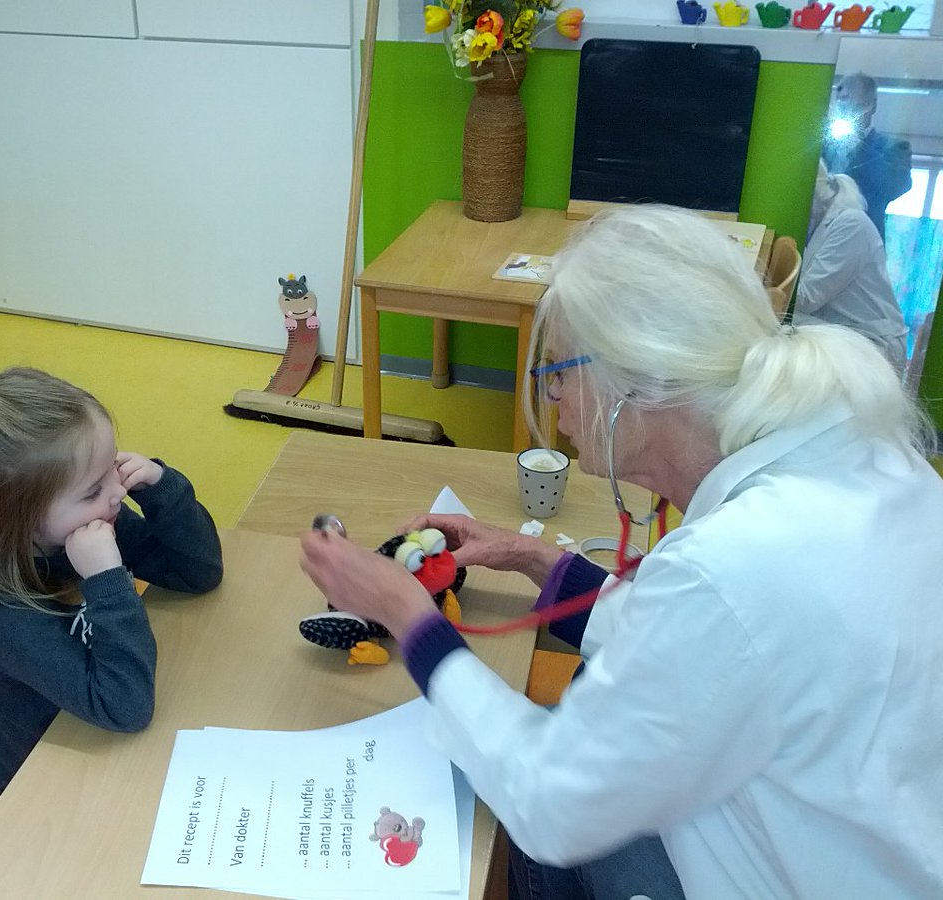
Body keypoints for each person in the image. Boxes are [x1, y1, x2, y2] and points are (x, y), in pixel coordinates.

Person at [299, 206, 943, 900]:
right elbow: (713, 652)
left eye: (558, 373)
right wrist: (537, 560)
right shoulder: (865, 456)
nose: (556, 405)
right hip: (869, 840)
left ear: (634, 380)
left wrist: (410, 619)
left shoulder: (733, 566)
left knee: (507, 801)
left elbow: (550, 802)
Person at [0, 366, 223, 795]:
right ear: (19, 519)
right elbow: (125, 707)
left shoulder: (89, 526)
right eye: (92, 489)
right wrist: (106, 581)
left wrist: (163, 488)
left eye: (113, 467)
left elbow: (197, 572)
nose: (117, 493)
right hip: (42, 781)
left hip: (98, 739)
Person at [794, 161, 908, 372]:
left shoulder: (850, 224)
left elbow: (805, 298)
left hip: (873, 341)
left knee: (782, 326)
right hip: (848, 331)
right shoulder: (822, 227)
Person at [822, 73, 912, 242]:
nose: (847, 112)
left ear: (872, 106)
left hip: (862, 246)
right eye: (842, 104)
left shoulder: (894, 148)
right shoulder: (824, 144)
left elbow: (897, 186)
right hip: (818, 240)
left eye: (855, 106)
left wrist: (859, 144)